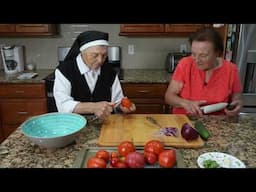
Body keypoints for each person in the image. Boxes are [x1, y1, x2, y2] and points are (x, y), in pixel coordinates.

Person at [53, 30, 136, 120]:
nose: (100, 60)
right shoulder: (64, 70)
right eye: (94, 55)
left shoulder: (109, 71)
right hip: (74, 124)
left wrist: (122, 107)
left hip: (105, 124)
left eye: (104, 55)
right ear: (82, 53)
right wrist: (93, 107)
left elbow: (116, 101)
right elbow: (63, 105)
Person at [165, 27, 243, 117]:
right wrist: (186, 103)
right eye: (194, 54)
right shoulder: (185, 64)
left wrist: (237, 104)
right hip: (185, 119)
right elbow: (169, 96)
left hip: (217, 121)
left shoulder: (231, 70)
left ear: (217, 53)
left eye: (203, 55)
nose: (197, 60)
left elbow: (237, 97)